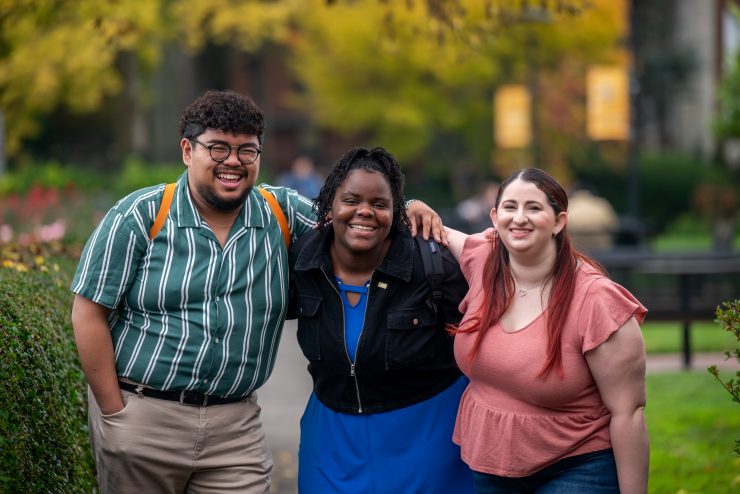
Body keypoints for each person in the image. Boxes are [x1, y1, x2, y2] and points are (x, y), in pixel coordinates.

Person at [69, 90, 445, 494]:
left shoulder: (282, 214)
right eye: (218, 148)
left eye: (247, 150)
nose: (233, 161)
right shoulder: (140, 215)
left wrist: (410, 206)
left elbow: (350, 216)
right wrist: (114, 411)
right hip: (144, 418)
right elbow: (89, 312)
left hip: (236, 430)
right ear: (186, 150)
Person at [445, 168, 649, 494]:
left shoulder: (596, 299)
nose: (520, 218)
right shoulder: (482, 259)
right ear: (495, 218)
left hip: (577, 468)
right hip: (490, 466)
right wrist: (413, 204)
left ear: (559, 222)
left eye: (534, 208)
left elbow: (628, 413)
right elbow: (435, 231)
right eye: (510, 207)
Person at [288, 146, 475, 493]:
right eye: (351, 200)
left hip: (427, 438)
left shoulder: (431, 263)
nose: (365, 212)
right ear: (330, 204)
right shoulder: (304, 259)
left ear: (396, 211)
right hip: (331, 439)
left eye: (379, 204)